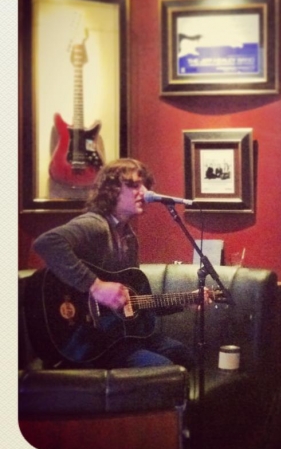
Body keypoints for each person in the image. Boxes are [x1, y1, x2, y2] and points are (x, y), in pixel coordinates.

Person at [33, 158, 198, 370]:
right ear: (111, 191)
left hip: (115, 335)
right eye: (134, 185)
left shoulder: (129, 237)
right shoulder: (94, 224)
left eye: (145, 185)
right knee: (162, 367)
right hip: (87, 339)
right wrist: (96, 286)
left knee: (182, 354)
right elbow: (47, 243)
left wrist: (186, 300)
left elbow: (133, 301)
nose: (144, 192)